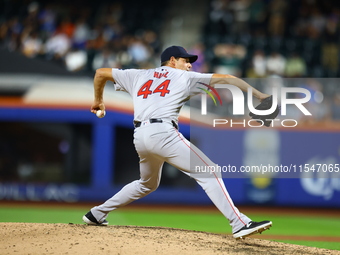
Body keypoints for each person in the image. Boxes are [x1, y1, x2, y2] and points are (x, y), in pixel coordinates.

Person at [83, 45, 272, 239]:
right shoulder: (185, 77)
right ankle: (239, 223)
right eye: (186, 60)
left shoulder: (138, 74)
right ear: (172, 60)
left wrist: (98, 100)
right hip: (163, 132)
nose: (190, 65)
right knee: (210, 171)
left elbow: (100, 73)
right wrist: (259, 95)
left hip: (140, 135)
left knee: (147, 184)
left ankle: (97, 213)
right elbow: (227, 79)